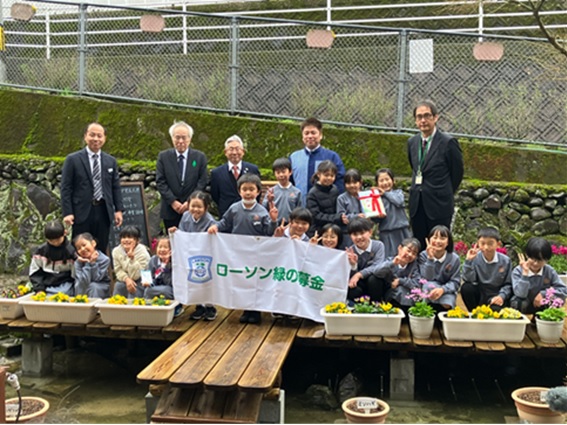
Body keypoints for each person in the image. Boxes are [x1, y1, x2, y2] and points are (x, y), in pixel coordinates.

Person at [208, 173, 278, 324]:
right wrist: (215, 227)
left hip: (256, 253)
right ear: (239, 191)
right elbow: (224, 223)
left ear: (258, 191)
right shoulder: (234, 208)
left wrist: (273, 221)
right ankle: (245, 309)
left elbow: (268, 233)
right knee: (242, 280)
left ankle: (255, 311)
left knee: (255, 280)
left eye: (251, 189)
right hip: (237, 253)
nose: (248, 192)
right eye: (244, 189)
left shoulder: (262, 212)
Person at [407, 100, 464, 251]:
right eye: (419, 117)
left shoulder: (448, 142)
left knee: (440, 247)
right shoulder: (412, 142)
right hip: (417, 204)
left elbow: (457, 173)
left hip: (439, 205)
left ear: (436, 117)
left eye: (427, 116)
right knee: (418, 246)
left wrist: (443, 191)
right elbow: (416, 168)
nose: (423, 120)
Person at [61, 122, 123, 253]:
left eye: (99, 136)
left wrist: (118, 210)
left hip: (103, 210)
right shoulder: (72, 159)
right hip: (81, 211)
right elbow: (66, 188)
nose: (96, 139)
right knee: (80, 247)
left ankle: (99, 273)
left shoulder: (110, 161)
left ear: (104, 138)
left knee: (101, 247)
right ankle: (80, 273)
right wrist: (68, 212)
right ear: (85, 136)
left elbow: (115, 187)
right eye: (92, 135)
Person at [169, 191, 218, 321]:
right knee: (193, 279)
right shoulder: (185, 217)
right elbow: (182, 235)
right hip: (190, 255)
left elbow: (216, 237)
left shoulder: (210, 220)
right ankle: (198, 306)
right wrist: (175, 232)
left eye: (199, 207)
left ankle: (210, 307)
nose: (195, 209)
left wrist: (214, 229)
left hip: (206, 255)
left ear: (206, 208)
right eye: (193, 206)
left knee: (206, 279)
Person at [156, 121, 208, 230]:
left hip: (192, 210)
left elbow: (202, 181)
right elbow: (161, 182)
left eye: (184, 138)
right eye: (177, 137)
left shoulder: (199, 157)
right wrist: (173, 202)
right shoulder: (163, 157)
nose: (180, 141)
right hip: (170, 210)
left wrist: (189, 202)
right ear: (172, 138)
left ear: (190, 138)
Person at [289, 117, 346, 203]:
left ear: (320, 135)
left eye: (313, 133)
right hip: (300, 209)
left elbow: (340, 182)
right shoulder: (294, 157)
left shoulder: (331, 157)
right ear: (302, 136)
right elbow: (290, 182)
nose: (310, 136)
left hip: (324, 209)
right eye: (306, 133)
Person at [461, 227, 513, 312]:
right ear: (478, 244)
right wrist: (468, 262)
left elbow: (508, 284)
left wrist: (501, 296)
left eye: (490, 243)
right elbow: (468, 279)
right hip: (480, 294)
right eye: (482, 243)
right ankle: (475, 314)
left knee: (494, 311)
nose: (486, 247)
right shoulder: (475, 257)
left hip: (496, 296)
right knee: (466, 288)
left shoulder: (505, 261)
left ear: (498, 244)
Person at [510, 237, 567, 314]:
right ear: (527, 255)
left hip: (542, 303)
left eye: (540, 260)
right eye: (533, 259)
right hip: (525, 303)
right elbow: (520, 294)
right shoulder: (518, 271)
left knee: (557, 300)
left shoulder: (549, 271)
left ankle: (541, 319)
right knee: (518, 302)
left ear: (547, 259)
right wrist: (525, 274)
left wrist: (543, 294)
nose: (536, 263)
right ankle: (522, 322)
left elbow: (563, 290)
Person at [210, 135, 261, 217]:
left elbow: (258, 192)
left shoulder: (253, 169)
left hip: (249, 213)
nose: (234, 152)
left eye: (237, 149)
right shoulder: (216, 173)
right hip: (226, 214)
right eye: (231, 149)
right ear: (225, 152)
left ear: (243, 151)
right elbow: (215, 195)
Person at [418, 225, 461, 311]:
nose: (438, 241)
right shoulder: (423, 255)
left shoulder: (454, 258)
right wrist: (430, 259)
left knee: (447, 303)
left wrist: (442, 289)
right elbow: (426, 278)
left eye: (442, 238)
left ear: (448, 242)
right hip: (428, 288)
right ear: (429, 239)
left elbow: (455, 282)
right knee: (428, 288)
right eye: (435, 237)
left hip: (446, 290)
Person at [29, 220, 76, 295]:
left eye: (57, 240)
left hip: (67, 285)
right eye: (51, 241)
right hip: (46, 285)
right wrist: (39, 289)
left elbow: (75, 275)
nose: (55, 243)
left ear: (65, 233)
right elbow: (35, 272)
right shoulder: (40, 252)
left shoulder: (71, 251)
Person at [345, 217, 385, 303]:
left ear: (370, 232)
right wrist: (353, 265)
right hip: (360, 283)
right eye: (355, 234)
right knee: (352, 288)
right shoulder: (350, 250)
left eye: (362, 233)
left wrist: (359, 274)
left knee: (374, 279)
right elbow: (351, 277)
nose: (359, 237)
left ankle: (376, 306)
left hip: (374, 281)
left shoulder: (378, 245)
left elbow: (377, 266)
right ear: (350, 236)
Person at [375, 168, 411, 258]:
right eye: (381, 181)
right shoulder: (377, 198)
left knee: (406, 254)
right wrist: (377, 216)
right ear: (377, 184)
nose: (385, 183)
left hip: (402, 230)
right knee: (389, 257)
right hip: (386, 232)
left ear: (393, 180)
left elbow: (399, 201)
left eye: (387, 179)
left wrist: (385, 194)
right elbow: (375, 219)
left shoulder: (398, 193)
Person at [306, 160, 346, 238]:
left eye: (332, 176)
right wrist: (337, 218)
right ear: (318, 174)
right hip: (318, 231)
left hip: (333, 230)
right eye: (326, 175)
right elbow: (316, 216)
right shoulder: (312, 193)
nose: (329, 178)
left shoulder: (335, 189)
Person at [381, 238, 422, 310]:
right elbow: (377, 272)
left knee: (402, 290)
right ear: (400, 248)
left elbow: (417, 283)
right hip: (391, 296)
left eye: (414, 253)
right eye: (408, 251)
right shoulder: (390, 261)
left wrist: (400, 281)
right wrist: (392, 263)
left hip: (408, 297)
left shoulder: (414, 266)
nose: (410, 255)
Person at [112, 226, 151, 298]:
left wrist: (132, 259)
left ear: (137, 240)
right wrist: (127, 279)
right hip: (126, 279)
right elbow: (118, 270)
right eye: (123, 237)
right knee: (118, 286)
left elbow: (136, 275)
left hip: (142, 279)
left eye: (130, 237)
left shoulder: (142, 251)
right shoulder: (116, 251)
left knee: (133, 290)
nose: (126, 240)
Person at [262, 157, 302, 223]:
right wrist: (269, 201)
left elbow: (299, 211)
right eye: (278, 172)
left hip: (290, 224)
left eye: (283, 172)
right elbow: (264, 209)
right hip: (273, 223)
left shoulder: (297, 192)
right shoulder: (271, 191)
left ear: (290, 172)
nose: (281, 175)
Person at [73, 232, 111, 298]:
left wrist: (92, 263)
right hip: (83, 285)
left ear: (93, 243)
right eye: (78, 248)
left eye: (84, 245)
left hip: (99, 285)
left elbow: (96, 278)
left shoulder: (104, 259)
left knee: (93, 286)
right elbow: (83, 281)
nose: (82, 249)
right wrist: (88, 264)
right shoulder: (78, 262)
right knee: (79, 285)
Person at [336, 168, 365, 247]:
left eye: (355, 182)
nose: (352, 185)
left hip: (364, 232)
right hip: (348, 233)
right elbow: (342, 217)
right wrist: (356, 216)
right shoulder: (341, 198)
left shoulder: (366, 196)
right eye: (348, 183)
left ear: (360, 182)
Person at [143, 236, 174, 301]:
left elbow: (171, 282)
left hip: (170, 288)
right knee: (147, 291)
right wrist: (148, 282)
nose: (162, 250)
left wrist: (166, 265)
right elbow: (149, 277)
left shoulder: (174, 262)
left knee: (165, 290)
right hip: (155, 288)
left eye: (165, 247)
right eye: (160, 247)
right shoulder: (153, 260)